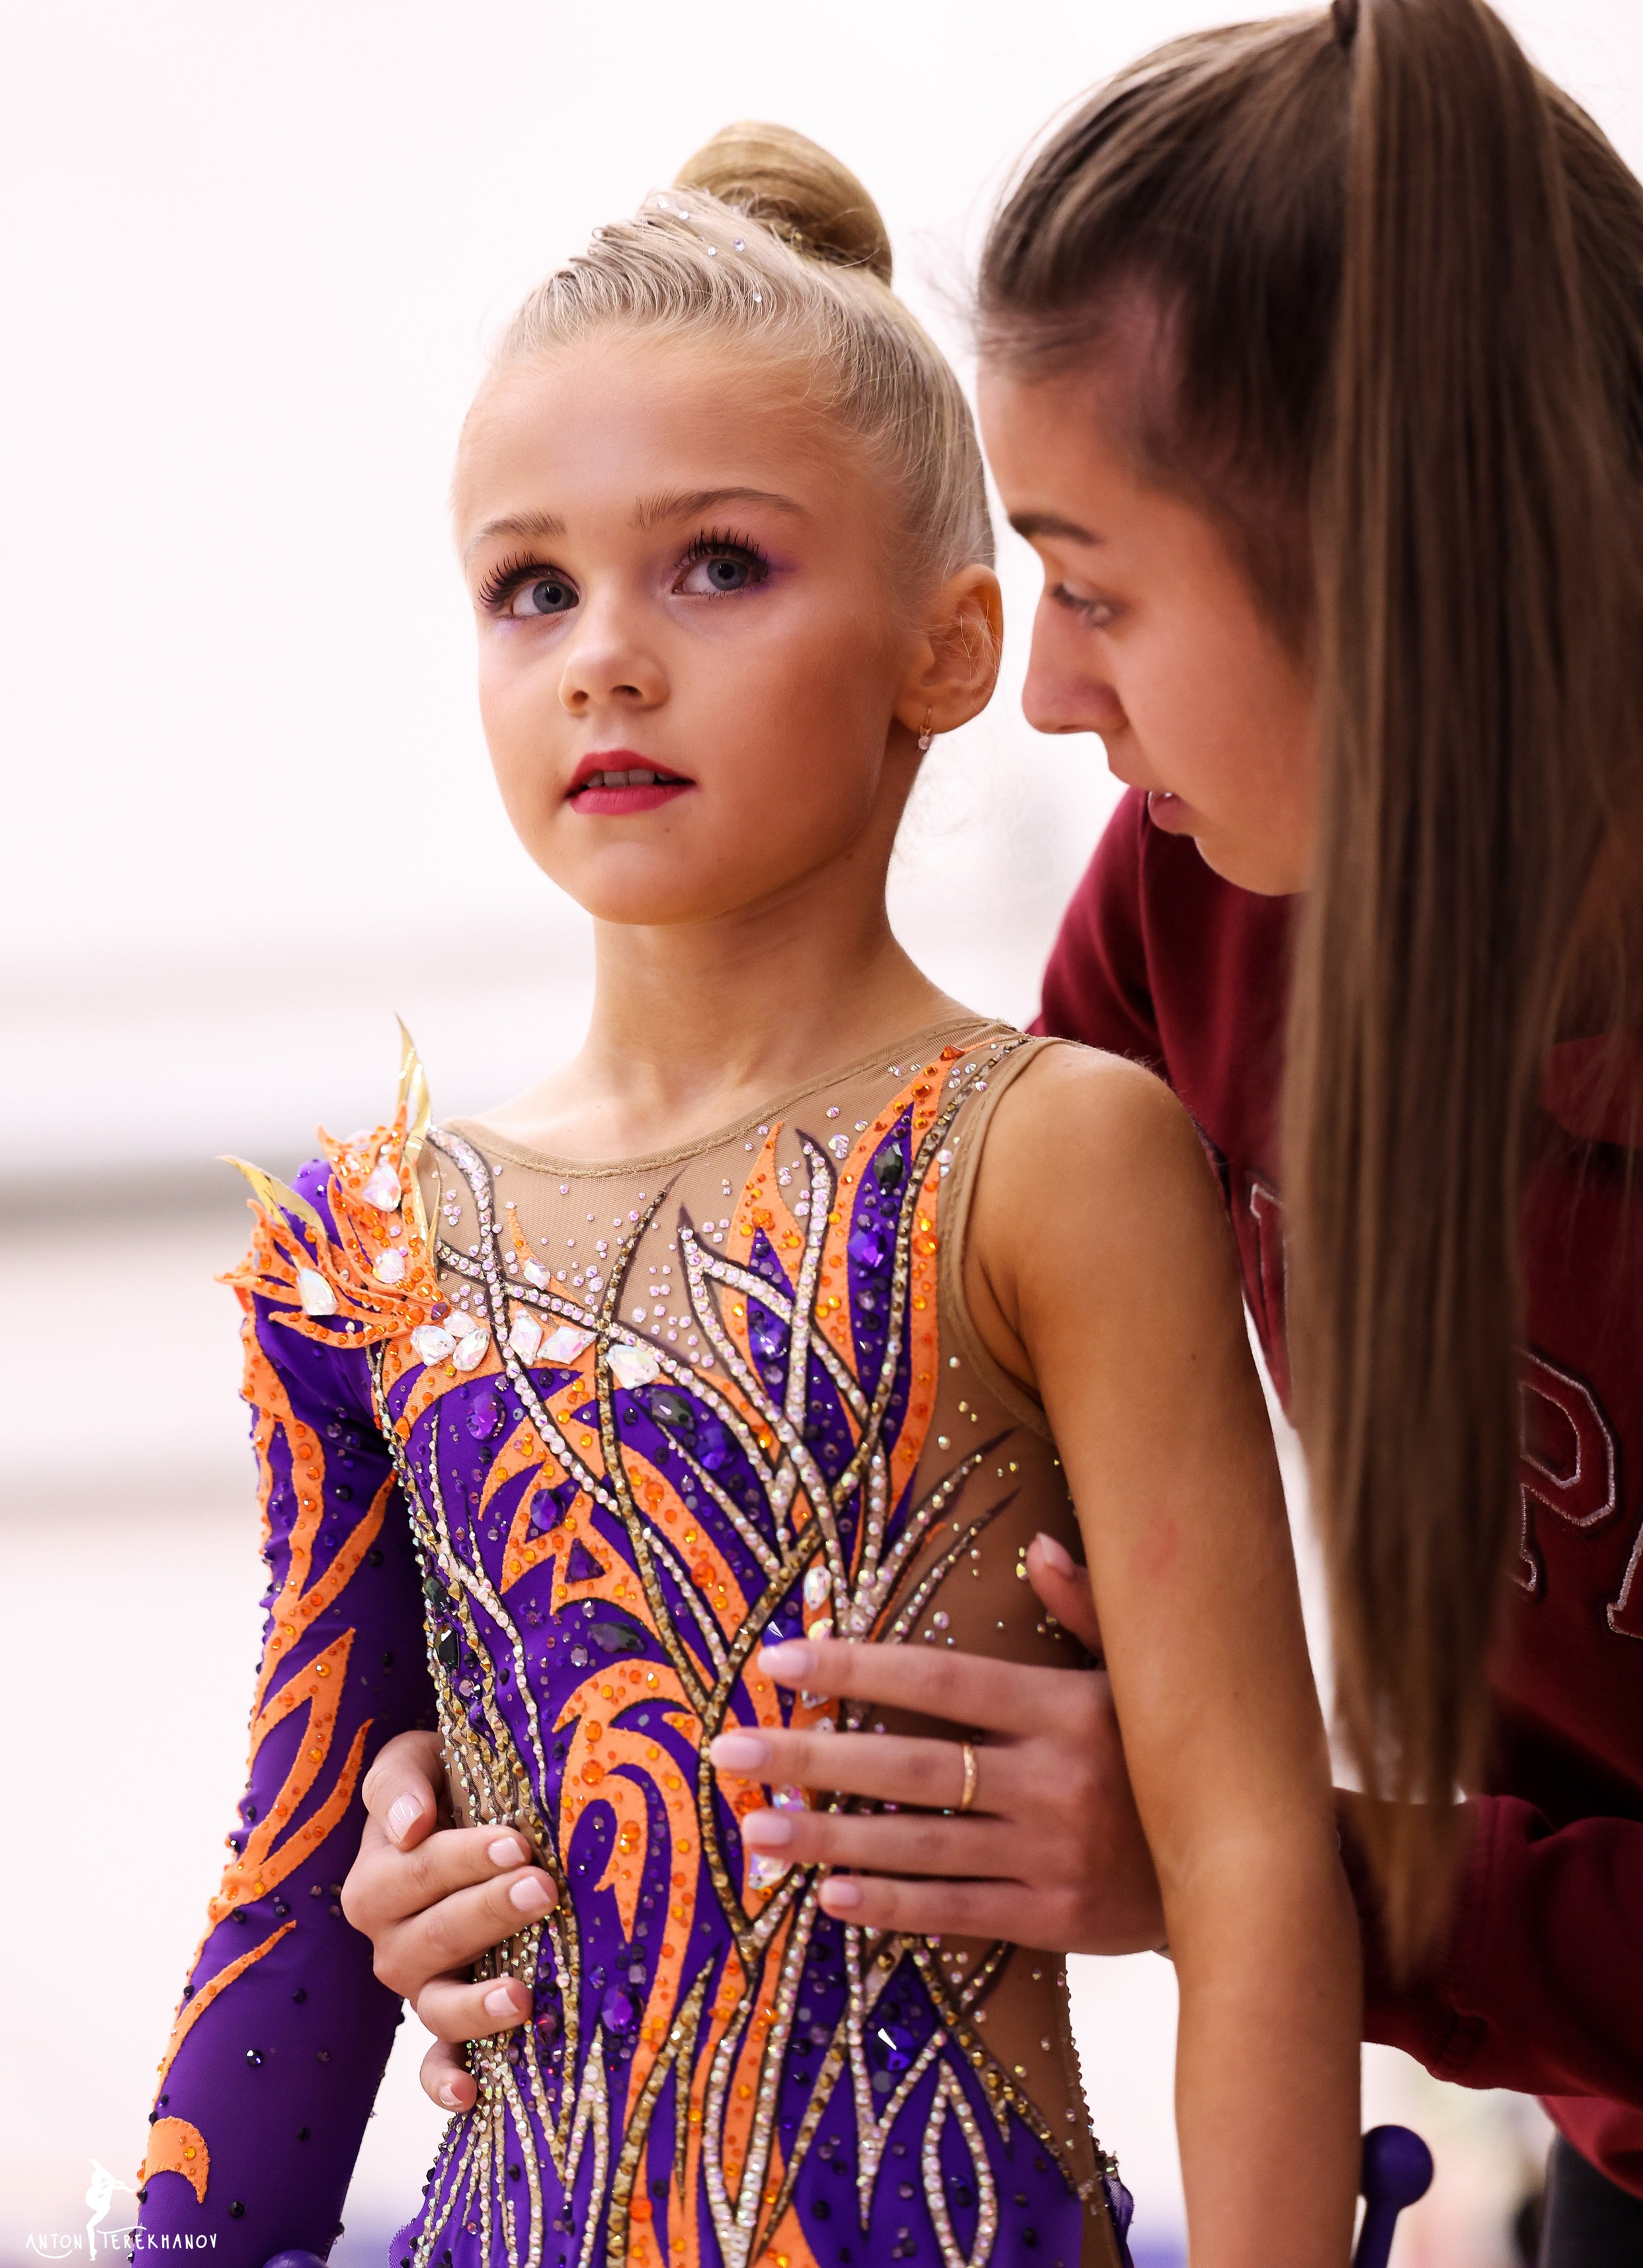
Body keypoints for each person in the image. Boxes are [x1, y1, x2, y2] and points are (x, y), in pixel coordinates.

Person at [351, 0, 1643, 2265]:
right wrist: (499, 1786)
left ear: (1405, 585)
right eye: (529, 591)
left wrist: (1314, 1870)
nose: (1052, 695)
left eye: (1096, 591)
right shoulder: (1191, 914)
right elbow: (964, 1563)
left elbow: (1233, 1835)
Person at [137, 125, 1360, 2268]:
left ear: (948, 648)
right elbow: (292, 1932)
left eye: (716, 565)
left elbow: (1252, 1859)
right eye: (533, 587)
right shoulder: (380, 1249)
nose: (606, 654)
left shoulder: (1051, 1149)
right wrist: (389, 1878)